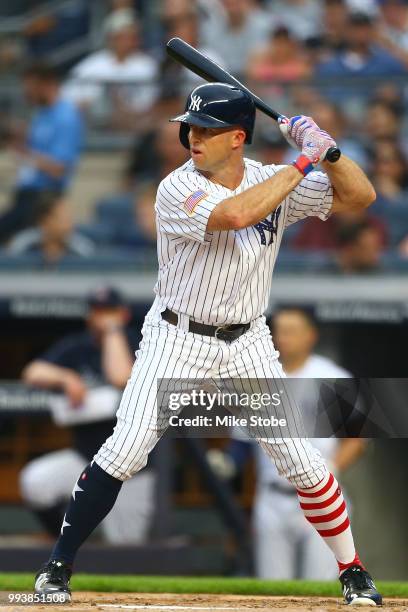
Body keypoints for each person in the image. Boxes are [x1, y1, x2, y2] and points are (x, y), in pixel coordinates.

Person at [34, 82, 382, 606]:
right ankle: (56, 568)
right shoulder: (177, 187)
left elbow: (361, 198)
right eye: (191, 127)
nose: (193, 136)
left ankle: (353, 571)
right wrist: (302, 164)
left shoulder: (273, 179)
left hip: (248, 341)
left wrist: (329, 153)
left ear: (238, 137)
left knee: (303, 463)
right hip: (177, 334)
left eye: (207, 129)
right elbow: (235, 215)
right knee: (125, 450)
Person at [209, 307, 368, 580]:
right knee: (273, 585)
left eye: (292, 331)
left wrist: (331, 468)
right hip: (272, 496)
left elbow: (358, 437)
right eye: (279, 331)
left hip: (322, 494)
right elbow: (243, 441)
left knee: (321, 585)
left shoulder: (331, 376)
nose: (283, 338)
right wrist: (228, 462)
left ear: (310, 336)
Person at [21, 287, 155, 545]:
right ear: (88, 315)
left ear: (124, 314)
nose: (103, 317)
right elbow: (32, 372)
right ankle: (65, 544)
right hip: (86, 456)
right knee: (36, 481)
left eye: (110, 311)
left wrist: (112, 332)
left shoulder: (142, 341)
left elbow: (120, 378)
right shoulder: (77, 346)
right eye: (97, 311)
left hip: (133, 467)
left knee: (125, 547)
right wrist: (66, 377)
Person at [0, 63, 83, 245]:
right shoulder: (41, 114)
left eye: (31, 87)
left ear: (46, 85)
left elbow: (59, 168)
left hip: (44, 197)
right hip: (26, 193)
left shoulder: (66, 117)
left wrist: (25, 153)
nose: (26, 93)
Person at [62, 9, 158, 131]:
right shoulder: (94, 63)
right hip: (96, 126)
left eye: (131, 36)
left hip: (134, 126)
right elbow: (68, 94)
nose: (127, 41)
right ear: (111, 38)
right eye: (122, 36)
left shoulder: (147, 65)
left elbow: (150, 102)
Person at [8, 191, 94, 263]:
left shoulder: (82, 248)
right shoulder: (22, 244)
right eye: (63, 218)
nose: (70, 223)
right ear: (44, 221)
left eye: (70, 218)